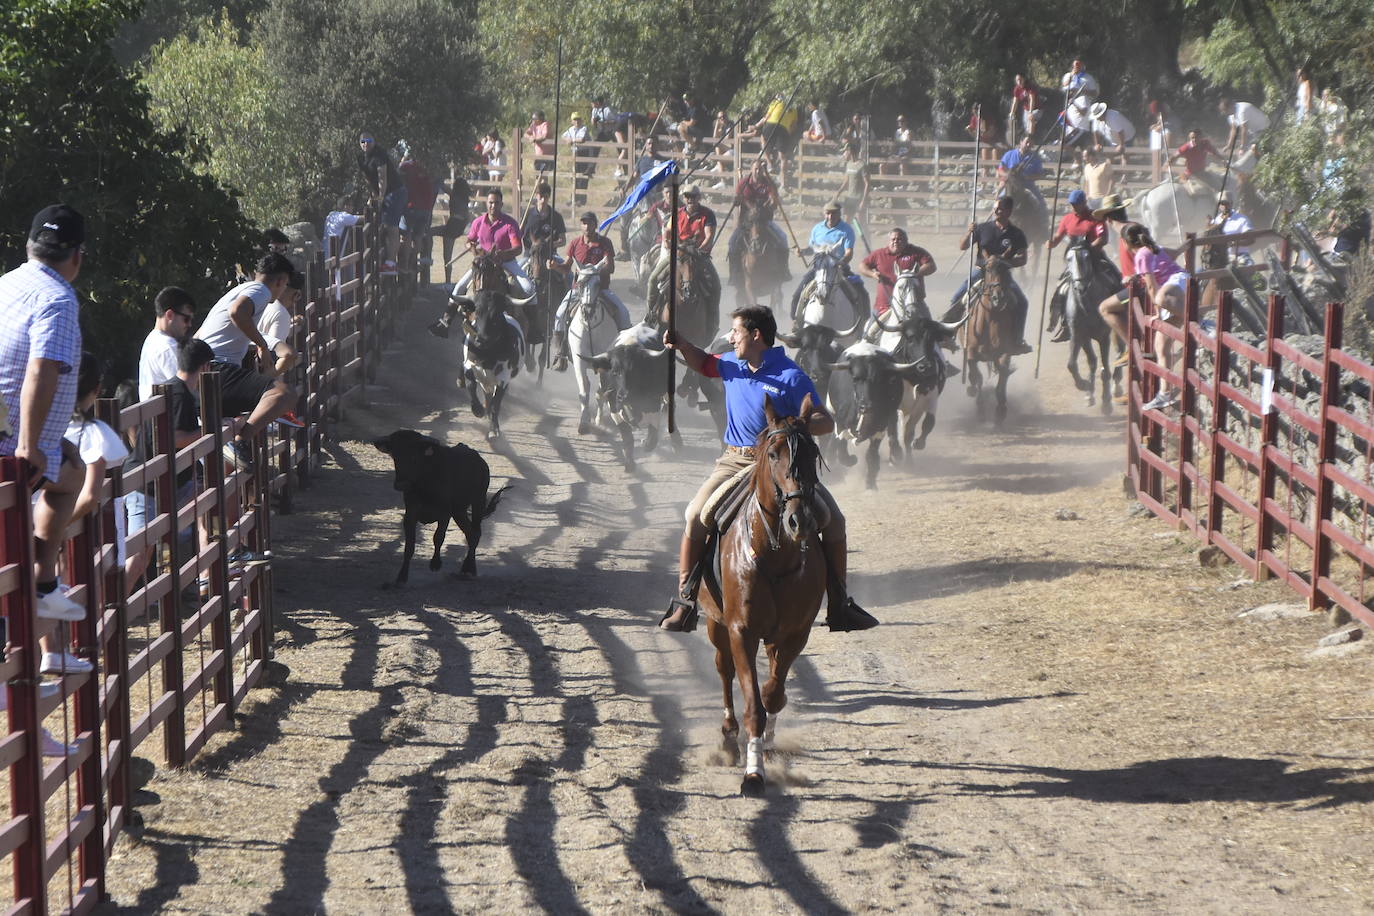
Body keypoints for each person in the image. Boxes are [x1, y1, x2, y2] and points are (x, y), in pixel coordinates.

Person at [659, 305, 877, 633]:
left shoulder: (791, 376)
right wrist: (683, 344)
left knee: (835, 522)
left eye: (736, 332)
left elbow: (825, 420)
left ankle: (840, 603)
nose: (731, 338)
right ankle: (686, 600)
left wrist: (797, 426)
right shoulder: (731, 363)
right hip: (736, 461)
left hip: (782, 467)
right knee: (695, 515)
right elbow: (704, 364)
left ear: (756, 335)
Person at [0, 205, 92, 656]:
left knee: (73, 471)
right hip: (12, 446)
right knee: (5, 560)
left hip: (19, 435)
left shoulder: (7, 284)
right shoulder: (57, 298)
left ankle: (44, 583)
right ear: (77, 255)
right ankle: (41, 586)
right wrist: (30, 444)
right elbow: (42, 369)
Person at [192, 252, 298, 471]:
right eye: (284, 284)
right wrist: (260, 344)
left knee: (262, 403)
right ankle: (241, 440)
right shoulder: (260, 290)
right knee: (284, 395)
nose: (281, 291)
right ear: (279, 281)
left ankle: (233, 441)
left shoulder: (237, 291)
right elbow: (237, 312)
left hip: (203, 370)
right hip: (219, 368)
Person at [948, 196, 1033, 354]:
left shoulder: (1016, 234)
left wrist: (1003, 263)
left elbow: (1023, 259)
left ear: (1008, 211)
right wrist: (969, 232)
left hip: (1003, 274)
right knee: (957, 297)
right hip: (980, 271)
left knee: (1022, 302)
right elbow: (962, 246)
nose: (995, 211)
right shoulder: (982, 228)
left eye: (1000, 208)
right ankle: (948, 335)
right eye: (995, 208)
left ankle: (1017, 339)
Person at [547, 212, 632, 371]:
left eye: (590, 223)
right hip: (578, 290)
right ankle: (561, 354)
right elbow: (566, 267)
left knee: (623, 313)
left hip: (600, 290)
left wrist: (595, 272)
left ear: (595, 224)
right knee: (559, 315)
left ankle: (624, 351)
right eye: (584, 223)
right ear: (581, 225)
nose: (586, 226)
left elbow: (611, 267)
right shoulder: (574, 243)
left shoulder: (605, 243)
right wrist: (555, 267)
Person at [1124, 224, 1189, 411]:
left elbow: (1152, 287)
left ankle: (1201, 322)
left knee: (1160, 297)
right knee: (1161, 345)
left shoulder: (1141, 254)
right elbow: (1174, 254)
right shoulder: (1152, 248)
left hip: (1175, 286)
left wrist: (1158, 314)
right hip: (1178, 286)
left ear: (1127, 243)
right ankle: (1164, 393)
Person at [1045, 189, 1113, 342]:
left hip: (1094, 258)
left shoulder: (1095, 217)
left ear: (1084, 203)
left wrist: (1088, 249)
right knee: (1061, 289)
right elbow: (1058, 237)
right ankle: (1064, 323)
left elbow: (1103, 238)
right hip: (1074, 261)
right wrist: (1051, 242)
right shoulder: (1067, 219)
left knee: (1114, 278)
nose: (1074, 207)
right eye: (1072, 204)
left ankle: (1121, 313)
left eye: (1077, 204)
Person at [450, 189, 534, 298]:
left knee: (528, 288)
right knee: (458, 288)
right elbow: (469, 241)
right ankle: (449, 314)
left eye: (496, 203)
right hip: (483, 263)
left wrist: (501, 254)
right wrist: (471, 247)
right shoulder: (478, 222)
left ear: (501, 204)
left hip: (506, 262)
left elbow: (518, 248)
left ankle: (532, 314)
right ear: (486, 203)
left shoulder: (510, 224)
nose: (493, 206)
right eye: (491, 203)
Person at [789, 201, 864, 320]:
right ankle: (795, 325)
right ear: (824, 214)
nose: (830, 217)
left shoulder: (846, 230)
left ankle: (861, 324)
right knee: (797, 295)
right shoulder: (817, 229)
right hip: (819, 268)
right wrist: (802, 251)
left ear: (839, 214)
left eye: (833, 213)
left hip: (839, 268)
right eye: (828, 213)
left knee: (860, 292)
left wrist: (842, 262)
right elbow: (812, 248)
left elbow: (849, 252)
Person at [728, 159, 790, 285]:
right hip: (746, 223)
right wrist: (737, 200)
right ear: (751, 169)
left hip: (764, 221)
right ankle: (734, 274)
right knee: (732, 243)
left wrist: (773, 202)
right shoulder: (744, 183)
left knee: (783, 238)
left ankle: (784, 270)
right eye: (755, 169)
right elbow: (737, 200)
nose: (757, 171)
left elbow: (774, 198)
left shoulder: (768, 183)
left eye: (760, 169)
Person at [857, 228, 936, 321]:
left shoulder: (916, 252)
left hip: (915, 305)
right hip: (884, 306)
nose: (896, 242)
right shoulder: (879, 254)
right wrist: (873, 274)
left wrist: (915, 273)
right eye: (893, 239)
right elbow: (862, 266)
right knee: (869, 333)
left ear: (906, 241)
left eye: (899, 239)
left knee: (932, 331)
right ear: (889, 241)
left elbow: (931, 265)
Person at [357, 132, 405, 275]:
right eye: (363, 141)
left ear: (374, 141)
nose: (366, 144)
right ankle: (386, 261)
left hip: (395, 192)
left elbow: (382, 177)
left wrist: (380, 198)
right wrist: (373, 196)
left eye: (369, 140)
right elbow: (368, 178)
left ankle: (390, 264)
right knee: (385, 226)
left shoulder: (380, 155)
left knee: (392, 227)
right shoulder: (361, 158)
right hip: (384, 194)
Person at [138, 286, 196, 401]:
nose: (189, 325)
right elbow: (187, 388)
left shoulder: (152, 340)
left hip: (154, 415)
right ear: (169, 315)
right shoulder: (167, 347)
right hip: (167, 416)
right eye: (186, 319)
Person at [398, 144, 438, 277]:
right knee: (419, 236)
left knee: (407, 235)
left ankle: (406, 264)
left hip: (411, 206)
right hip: (425, 208)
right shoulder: (430, 169)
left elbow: (398, 172)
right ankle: (414, 260)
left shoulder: (407, 166)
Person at [521, 181, 567, 260]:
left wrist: (548, 245)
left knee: (568, 272)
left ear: (549, 197)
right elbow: (520, 234)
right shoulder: (527, 214)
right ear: (536, 196)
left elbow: (563, 241)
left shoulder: (556, 216)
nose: (542, 200)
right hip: (530, 254)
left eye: (545, 197)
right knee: (517, 272)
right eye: (541, 196)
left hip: (551, 255)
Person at [998, 134, 1045, 206]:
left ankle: (1042, 216)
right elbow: (1000, 170)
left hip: (1027, 186)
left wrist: (1027, 177)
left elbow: (1040, 175)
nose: (1029, 144)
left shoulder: (1035, 158)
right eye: (1027, 142)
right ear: (1021, 142)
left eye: (1031, 143)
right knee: (999, 201)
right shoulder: (1009, 154)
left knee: (1039, 202)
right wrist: (1009, 175)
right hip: (1010, 184)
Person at [1209, 198, 1255, 264]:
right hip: (1219, 257)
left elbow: (1251, 240)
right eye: (1222, 204)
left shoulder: (1242, 219)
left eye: (1226, 203)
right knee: (1197, 272)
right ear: (1218, 206)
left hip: (1240, 256)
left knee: (1249, 265)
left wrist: (1234, 243)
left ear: (1231, 204)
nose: (1224, 206)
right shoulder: (1215, 221)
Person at [563, 113, 592, 204]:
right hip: (575, 153)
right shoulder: (570, 129)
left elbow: (582, 139)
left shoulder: (584, 128)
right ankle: (573, 199)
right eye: (575, 119)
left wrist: (572, 140)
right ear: (571, 121)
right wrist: (567, 140)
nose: (577, 121)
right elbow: (563, 136)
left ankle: (581, 200)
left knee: (583, 177)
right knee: (574, 176)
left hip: (584, 153)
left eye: (578, 119)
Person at [839, 140, 870, 223]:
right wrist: (838, 193)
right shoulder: (848, 164)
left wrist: (863, 200)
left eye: (845, 151)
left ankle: (866, 236)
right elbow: (846, 182)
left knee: (861, 222)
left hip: (859, 198)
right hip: (850, 197)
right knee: (847, 221)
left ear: (850, 151)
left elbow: (867, 183)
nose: (844, 154)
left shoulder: (862, 165)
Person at [1010, 74, 1042, 139]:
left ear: (1024, 79)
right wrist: (1012, 113)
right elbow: (1015, 101)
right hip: (1026, 110)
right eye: (1017, 80)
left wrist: (1030, 112)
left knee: (1031, 119)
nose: (1019, 82)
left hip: (1036, 109)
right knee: (1026, 126)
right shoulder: (1017, 89)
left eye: (1020, 80)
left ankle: (1030, 139)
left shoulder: (1030, 86)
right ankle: (1025, 140)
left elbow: (1032, 99)